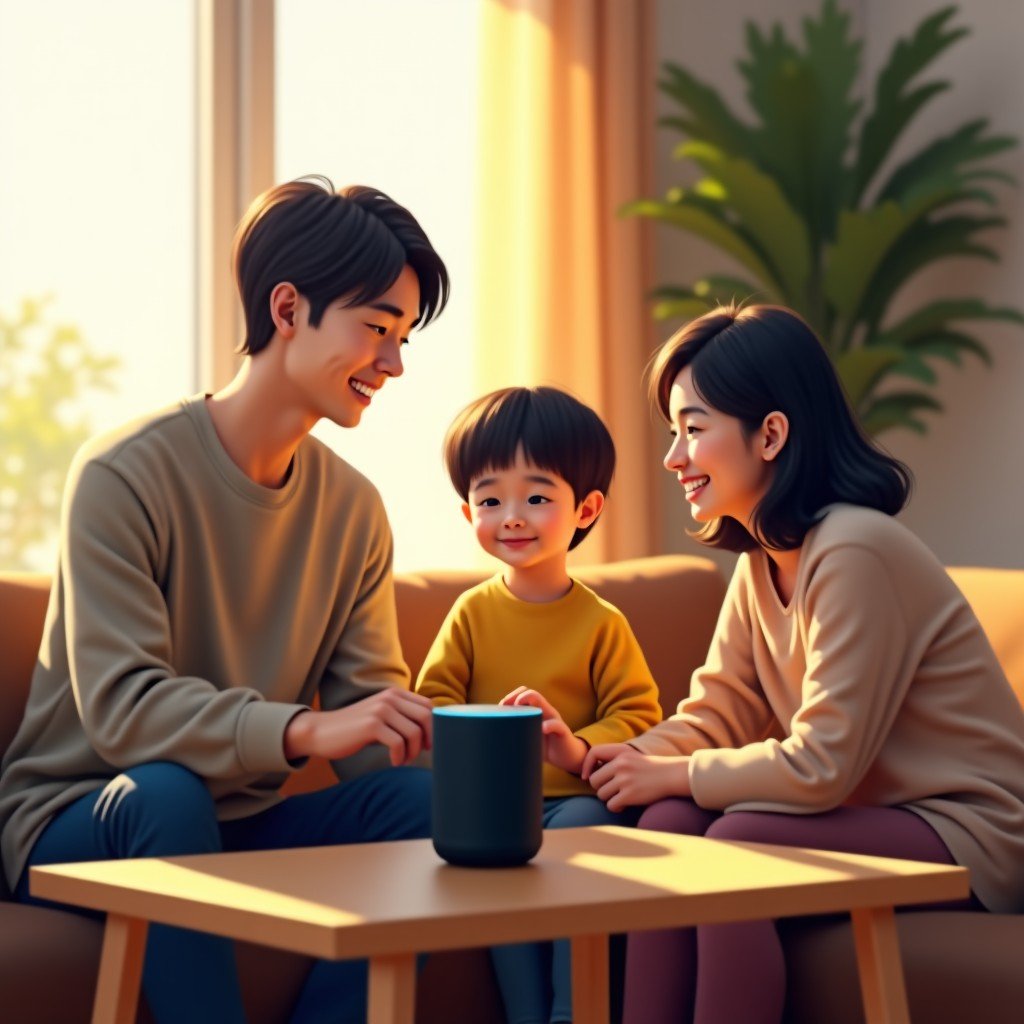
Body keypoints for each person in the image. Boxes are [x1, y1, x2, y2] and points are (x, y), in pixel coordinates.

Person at [0, 175, 450, 1024]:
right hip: (84, 818)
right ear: (288, 310)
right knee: (166, 794)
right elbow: (124, 713)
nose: (393, 364)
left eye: (403, 339)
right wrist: (302, 729)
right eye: (378, 330)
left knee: (421, 809)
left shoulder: (353, 510)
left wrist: (488, 766)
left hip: (237, 824)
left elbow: (369, 724)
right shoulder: (122, 474)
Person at [581, 304, 1024, 1024]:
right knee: (665, 821)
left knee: (736, 842)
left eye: (693, 429)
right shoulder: (761, 563)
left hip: (972, 829)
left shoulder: (855, 549)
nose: (674, 457)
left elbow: (824, 764)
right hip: (871, 815)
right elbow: (715, 715)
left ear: (772, 434)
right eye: (673, 432)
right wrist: (606, 756)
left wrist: (674, 770)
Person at [416, 385, 662, 1024]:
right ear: (466, 510)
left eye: (537, 497)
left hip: (575, 805)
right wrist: (480, 732)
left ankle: (573, 1011)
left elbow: (640, 720)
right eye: (490, 499)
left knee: (586, 832)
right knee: (492, 858)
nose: (513, 516)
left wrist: (572, 745)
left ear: (587, 509)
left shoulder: (602, 623)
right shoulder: (470, 613)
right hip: (493, 810)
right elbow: (432, 702)